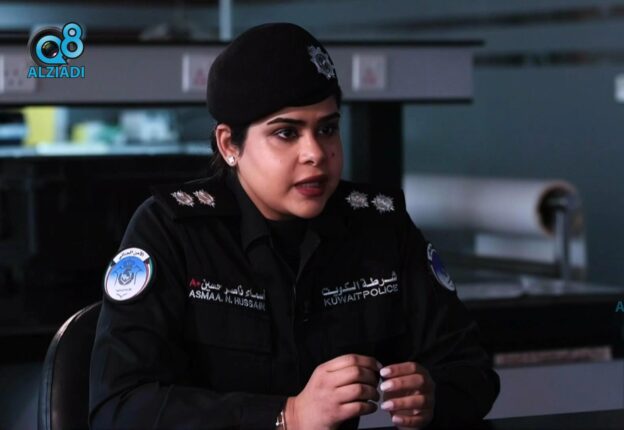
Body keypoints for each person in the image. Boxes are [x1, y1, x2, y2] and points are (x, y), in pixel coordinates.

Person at [89, 23, 499, 430]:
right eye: (286, 133)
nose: (315, 153)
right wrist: (287, 416)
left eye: (328, 129)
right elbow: (118, 408)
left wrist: (432, 395)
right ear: (230, 145)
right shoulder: (172, 231)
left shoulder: (379, 227)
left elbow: (472, 369)